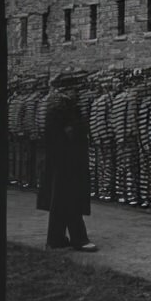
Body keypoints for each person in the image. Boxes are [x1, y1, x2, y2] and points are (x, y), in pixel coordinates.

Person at [37, 71, 98, 252]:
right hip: (67, 160)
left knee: (60, 201)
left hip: (60, 160)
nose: (77, 93)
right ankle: (79, 239)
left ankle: (55, 239)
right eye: (74, 89)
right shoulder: (62, 107)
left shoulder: (56, 105)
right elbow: (67, 136)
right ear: (66, 90)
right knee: (70, 199)